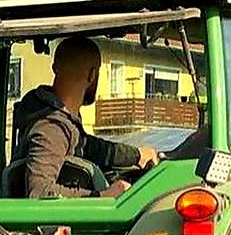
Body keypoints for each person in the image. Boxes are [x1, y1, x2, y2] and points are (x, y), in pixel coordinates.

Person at [12, 36, 159, 198]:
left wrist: (136, 155)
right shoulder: (52, 128)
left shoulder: (61, 122)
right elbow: (39, 192)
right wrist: (103, 195)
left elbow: (89, 146)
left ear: (54, 67)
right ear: (92, 75)